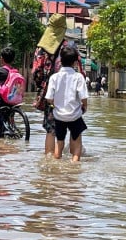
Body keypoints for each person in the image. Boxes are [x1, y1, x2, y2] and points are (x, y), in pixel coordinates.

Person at [33, 14, 86, 156]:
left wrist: (42, 87)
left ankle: (51, 160)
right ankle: (74, 163)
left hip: (50, 95)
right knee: (75, 129)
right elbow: (80, 70)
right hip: (71, 95)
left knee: (51, 129)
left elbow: (36, 73)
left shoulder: (40, 50)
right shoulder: (70, 48)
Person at [44, 45, 88, 162]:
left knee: (59, 142)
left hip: (59, 116)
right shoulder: (78, 77)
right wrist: (85, 106)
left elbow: (48, 98)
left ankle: (57, 160)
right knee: (77, 141)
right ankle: (74, 164)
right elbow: (83, 97)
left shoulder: (54, 77)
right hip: (75, 115)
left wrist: (54, 105)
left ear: (61, 61)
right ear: (74, 63)